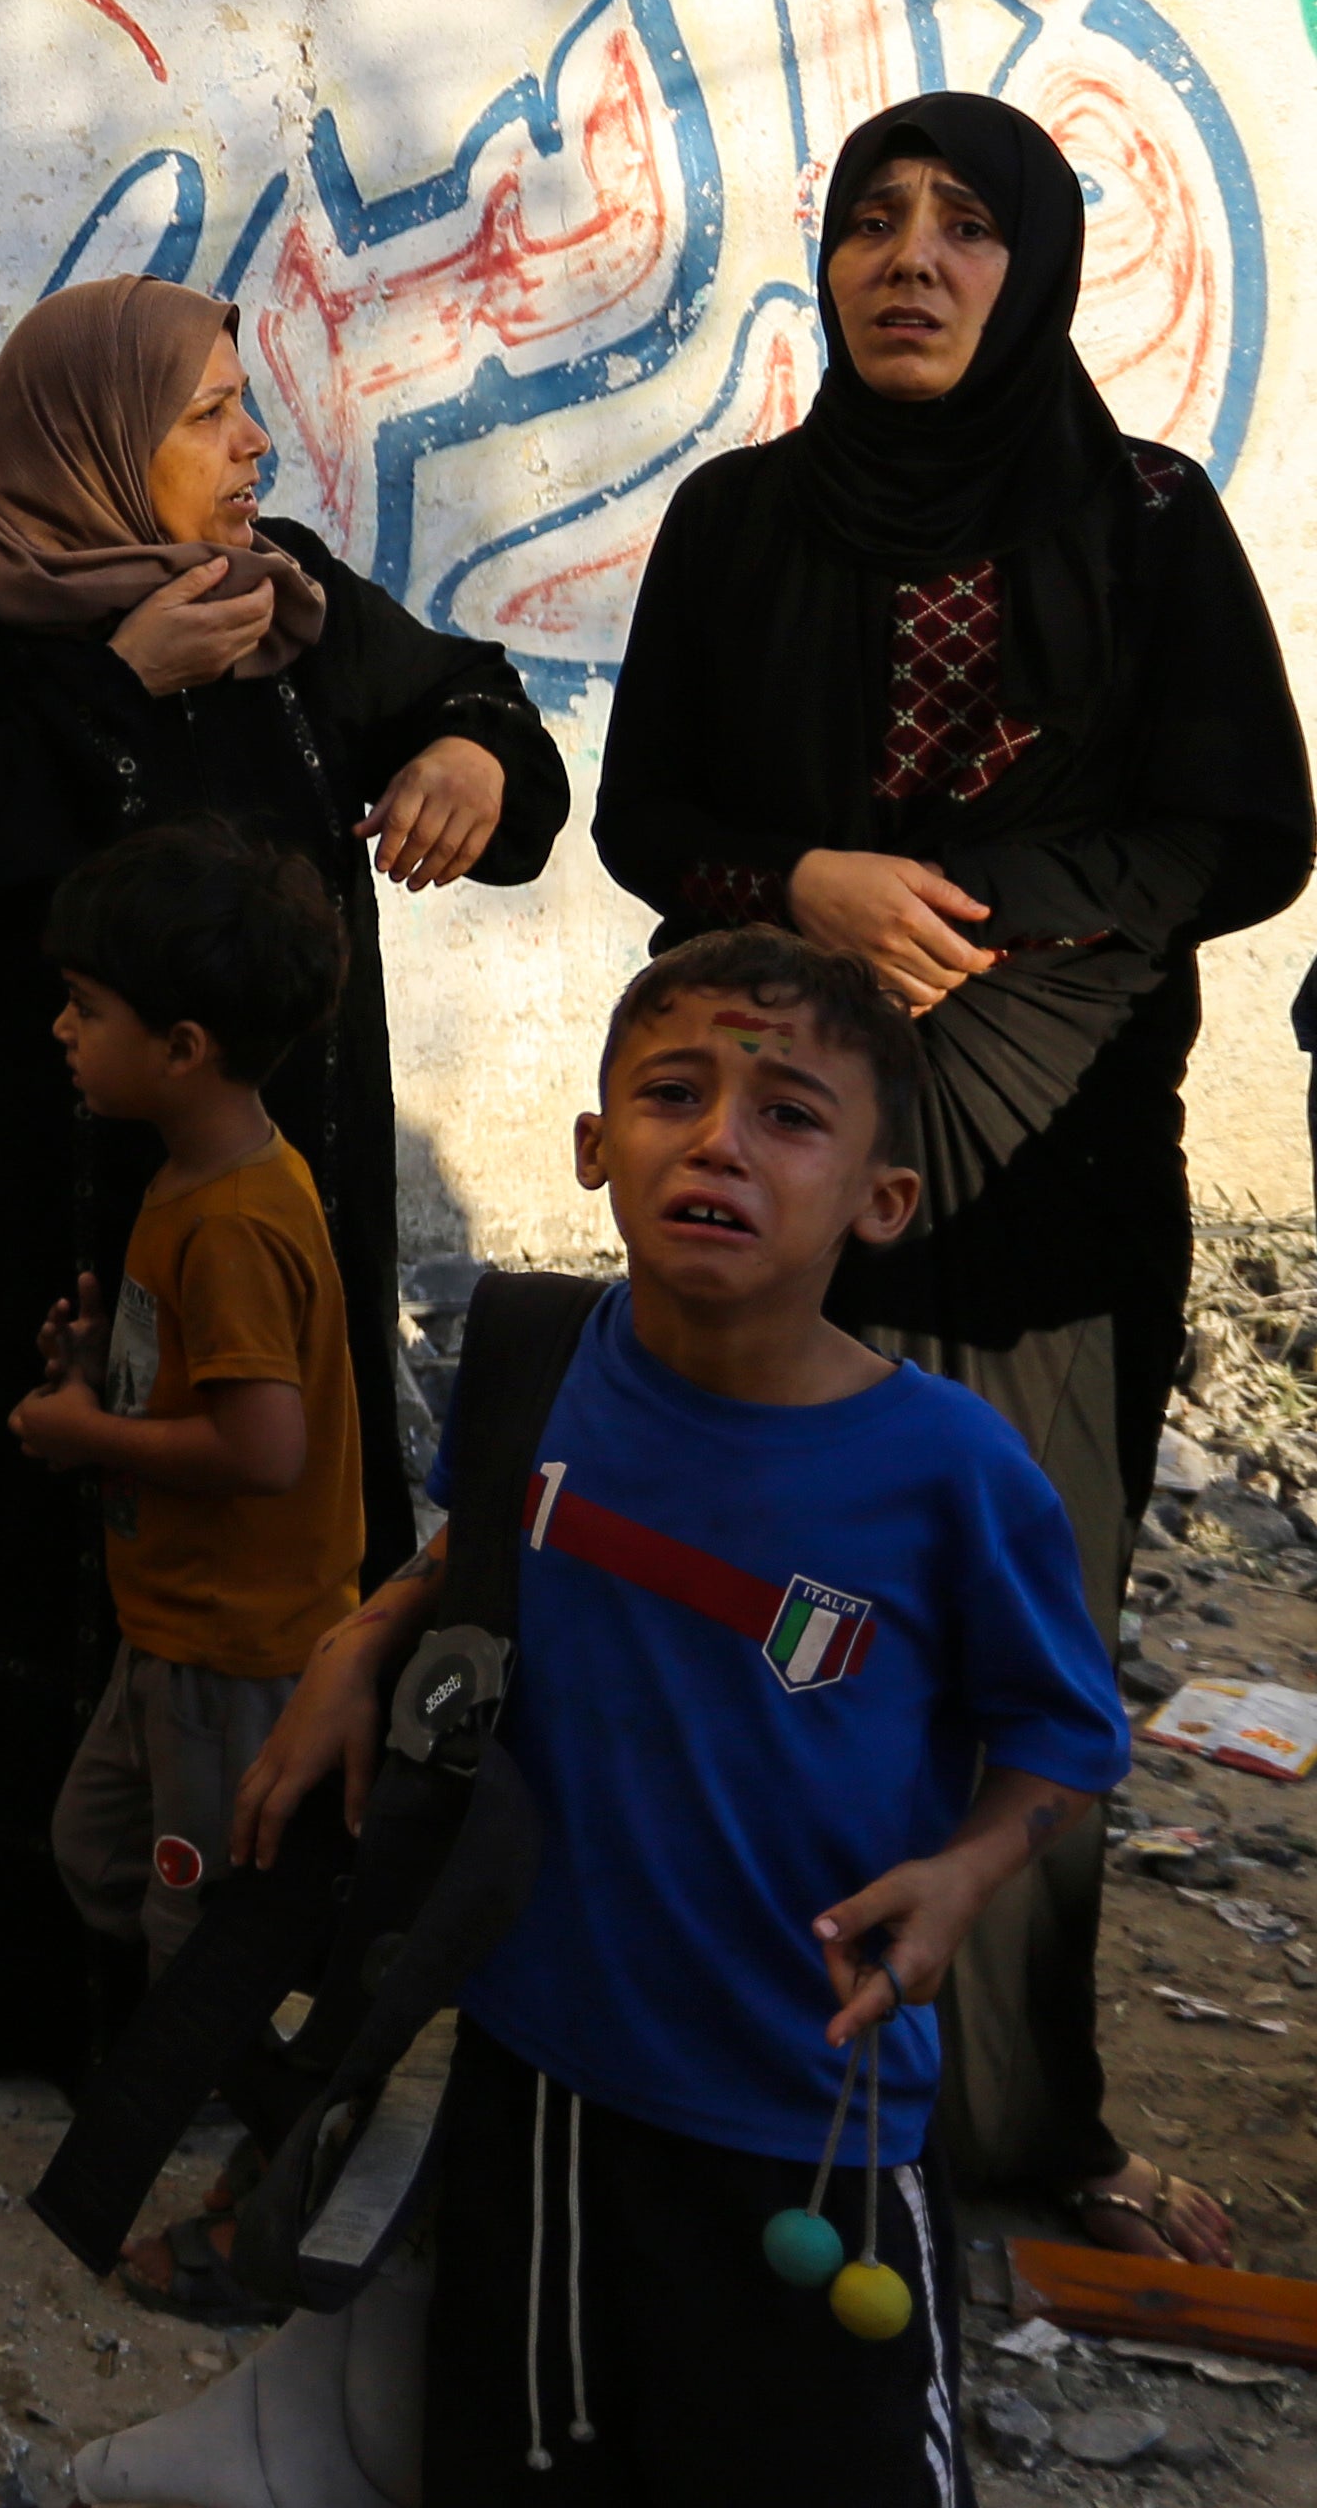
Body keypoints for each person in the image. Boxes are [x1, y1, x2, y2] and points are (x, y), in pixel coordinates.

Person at [596, 91, 1308, 2258]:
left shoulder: (1153, 522)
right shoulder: (736, 523)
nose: (912, 259)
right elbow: (646, 817)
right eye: (871, 221)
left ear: (1043, 266)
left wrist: (975, 907)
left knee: (1018, 1660)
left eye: (969, 227)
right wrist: (799, 876)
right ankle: (744, 2078)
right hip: (779, 1190)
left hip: (1055, 1201)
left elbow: (1246, 827)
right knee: (765, 1646)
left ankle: (1009, 2113)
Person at [0, 276, 571, 2076]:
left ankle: (226, 2009)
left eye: (241, 410)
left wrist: (460, 752)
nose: (248, 446)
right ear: (91, 430)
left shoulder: (275, 597)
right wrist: (110, 688)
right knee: (13, 1554)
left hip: (265, 1227)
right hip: (17, 1217)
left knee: (254, 1567)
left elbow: (481, 715)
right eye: (208, 413)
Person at [238, 931, 1126, 2499]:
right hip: (536, 2071)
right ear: (596, 1149)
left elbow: (1062, 1737)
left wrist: (968, 1874)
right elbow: (490, 1546)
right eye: (671, 1093)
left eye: (789, 1114)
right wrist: (359, 1640)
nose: (719, 1139)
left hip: (801, 2112)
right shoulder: (536, 1361)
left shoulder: (950, 1474)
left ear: (881, 1199)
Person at [7, 817, 360, 2024]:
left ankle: (212, 2112)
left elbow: (264, 1449)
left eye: (86, 1007)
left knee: (191, 1906)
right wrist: (106, 1371)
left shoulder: (233, 1223)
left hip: (234, 1645)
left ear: (185, 1045)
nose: (62, 1028)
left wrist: (84, 1436)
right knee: (102, 1850)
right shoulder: (200, 1172)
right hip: (172, 1622)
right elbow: (218, 1386)